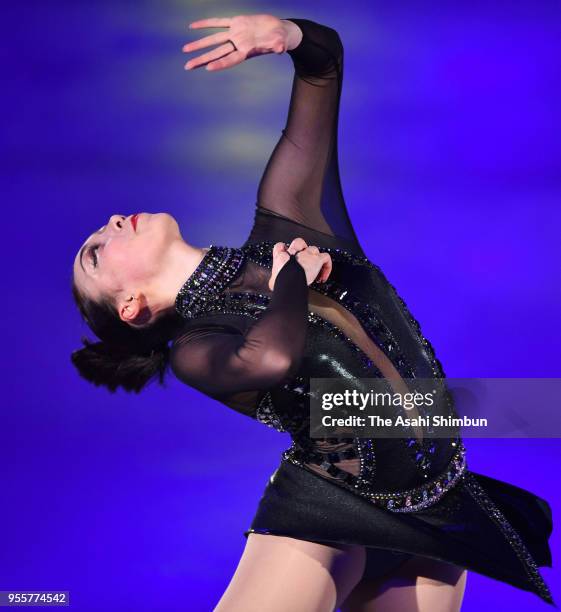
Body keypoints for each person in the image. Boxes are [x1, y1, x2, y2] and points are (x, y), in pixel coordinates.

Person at [71, 14, 554, 611]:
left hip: (437, 512)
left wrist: (287, 35)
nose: (112, 222)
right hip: (328, 520)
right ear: (132, 307)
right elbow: (270, 356)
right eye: (96, 252)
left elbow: (324, 67)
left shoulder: (291, 218)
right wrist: (292, 278)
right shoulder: (198, 345)